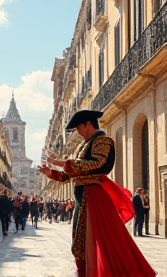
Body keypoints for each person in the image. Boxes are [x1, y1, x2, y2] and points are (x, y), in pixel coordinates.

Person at [39, 110, 156, 277]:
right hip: (82, 197)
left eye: (79, 127)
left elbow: (99, 164)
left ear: (88, 124)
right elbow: (72, 174)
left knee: (100, 241)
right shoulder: (83, 145)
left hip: (93, 197)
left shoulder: (103, 140)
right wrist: (51, 173)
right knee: (79, 243)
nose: (77, 131)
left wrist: (65, 162)